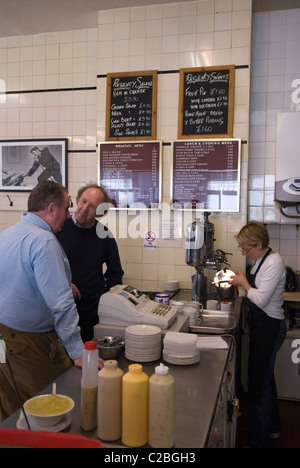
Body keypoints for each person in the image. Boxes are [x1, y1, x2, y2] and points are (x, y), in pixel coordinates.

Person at [0, 181, 104, 423]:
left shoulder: (8, 234)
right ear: (50, 209)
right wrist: (77, 351)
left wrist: (57, 282)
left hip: (3, 337)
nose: (68, 216)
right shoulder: (44, 242)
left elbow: (15, 279)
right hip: (27, 343)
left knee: (8, 405)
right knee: (46, 407)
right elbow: (62, 305)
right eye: (66, 209)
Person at [230, 221, 287, 448]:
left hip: (270, 326)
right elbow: (257, 289)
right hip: (263, 325)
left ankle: (258, 442)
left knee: (260, 383)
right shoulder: (261, 260)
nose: (244, 252)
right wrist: (243, 279)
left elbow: (262, 299)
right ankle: (270, 427)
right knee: (265, 379)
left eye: (246, 248)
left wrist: (243, 282)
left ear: (259, 244)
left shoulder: (274, 262)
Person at [56, 184, 124, 342]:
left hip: (91, 314)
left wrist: (102, 296)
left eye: (92, 206)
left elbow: (116, 273)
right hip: (60, 311)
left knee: (87, 359)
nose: (84, 208)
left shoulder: (105, 235)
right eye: (83, 201)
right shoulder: (58, 228)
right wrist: (63, 283)